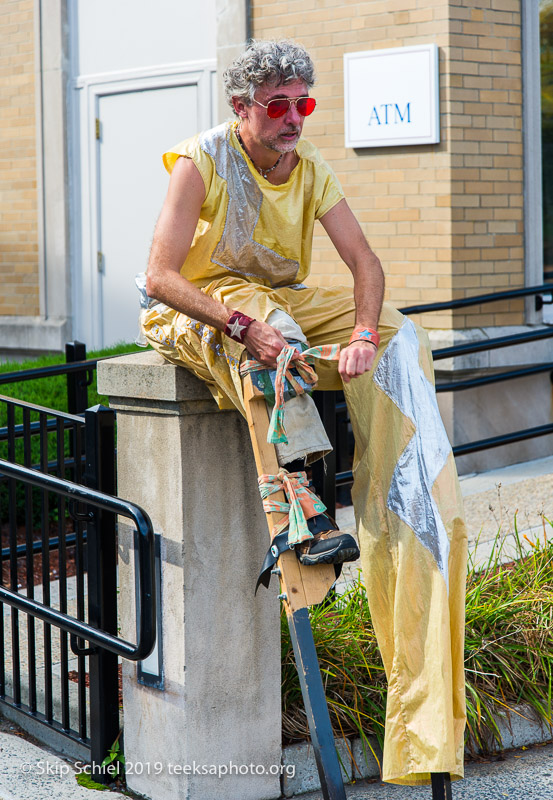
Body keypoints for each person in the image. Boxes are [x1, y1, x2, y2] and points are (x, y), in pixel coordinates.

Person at [139, 39, 467, 787]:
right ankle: (300, 513)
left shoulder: (310, 165)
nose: (293, 120)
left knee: (399, 333)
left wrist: (358, 335)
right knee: (272, 337)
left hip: (276, 306)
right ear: (242, 109)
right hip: (202, 307)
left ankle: (406, 492)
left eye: (303, 104)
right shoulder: (202, 159)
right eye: (278, 107)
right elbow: (158, 274)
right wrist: (236, 325)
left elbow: (366, 265)